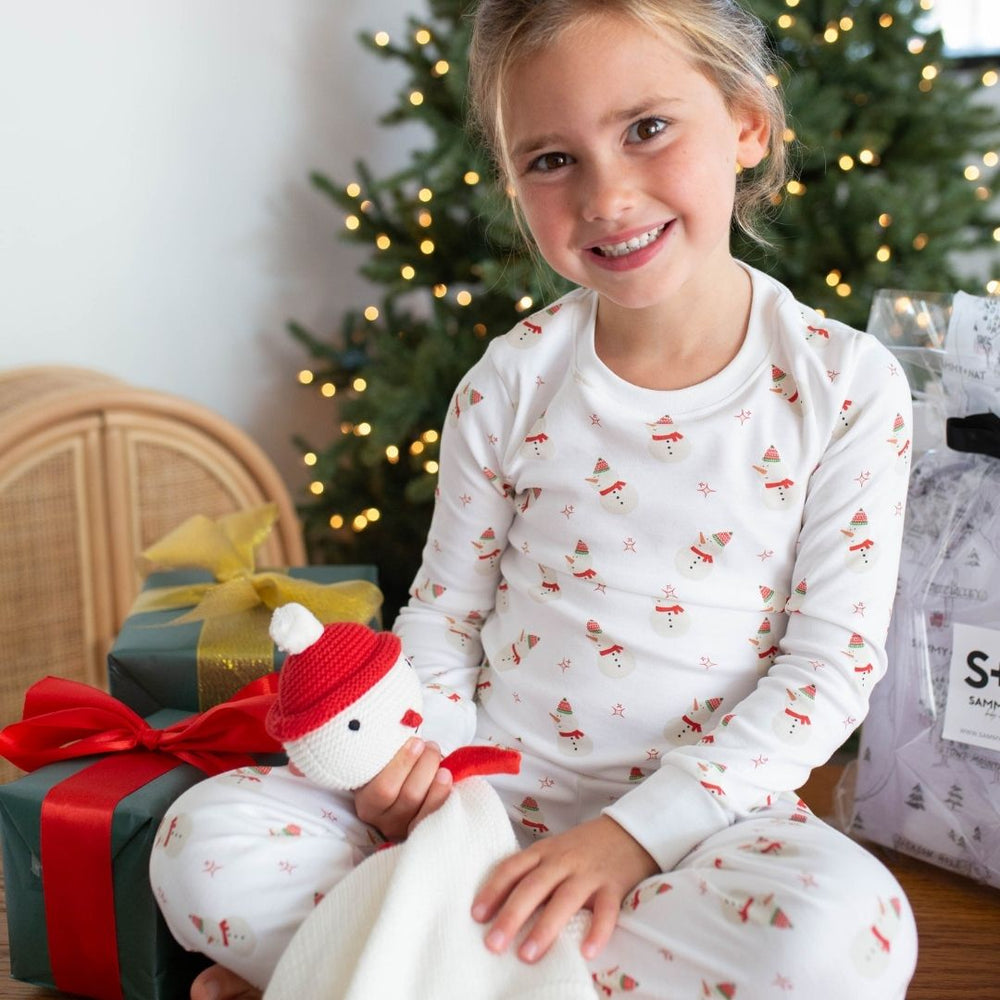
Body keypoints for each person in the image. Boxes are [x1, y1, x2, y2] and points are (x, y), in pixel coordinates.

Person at [152, 1, 919, 996]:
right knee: (203, 845)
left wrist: (632, 838)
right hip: (481, 807)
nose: (606, 195)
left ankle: (369, 969)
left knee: (844, 937)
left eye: (646, 129)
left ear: (745, 123)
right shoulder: (508, 383)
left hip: (700, 829)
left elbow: (828, 667)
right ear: (512, 180)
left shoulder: (844, 385)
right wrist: (424, 766)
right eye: (551, 160)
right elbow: (446, 610)